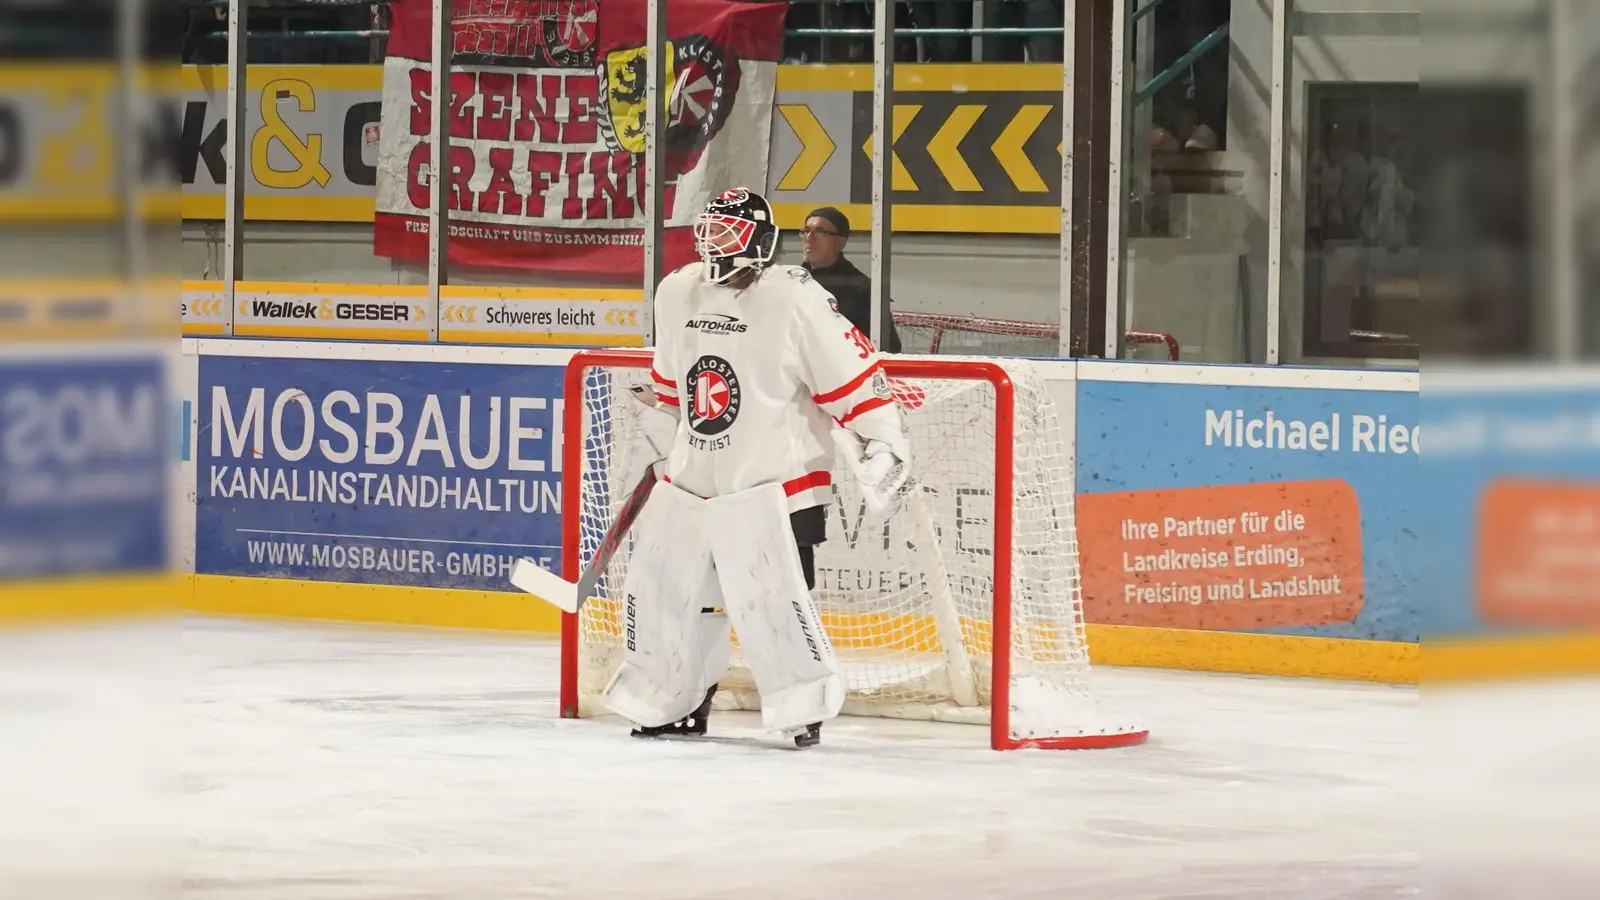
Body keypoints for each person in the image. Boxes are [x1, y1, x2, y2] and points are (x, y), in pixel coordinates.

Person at [605, 187, 915, 749]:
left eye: (728, 231)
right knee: (677, 598)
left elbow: (857, 383)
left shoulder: (797, 300)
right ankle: (679, 702)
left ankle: (801, 707)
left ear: (761, 241)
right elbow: (673, 391)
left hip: (779, 487)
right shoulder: (678, 292)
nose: (713, 245)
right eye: (710, 231)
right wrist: (655, 450)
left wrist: (884, 444)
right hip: (695, 484)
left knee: (779, 600)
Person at [800, 206, 904, 353]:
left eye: (820, 232)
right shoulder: (792, 282)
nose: (809, 238)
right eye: (806, 231)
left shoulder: (862, 291)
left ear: (841, 242)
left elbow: (889, 350)